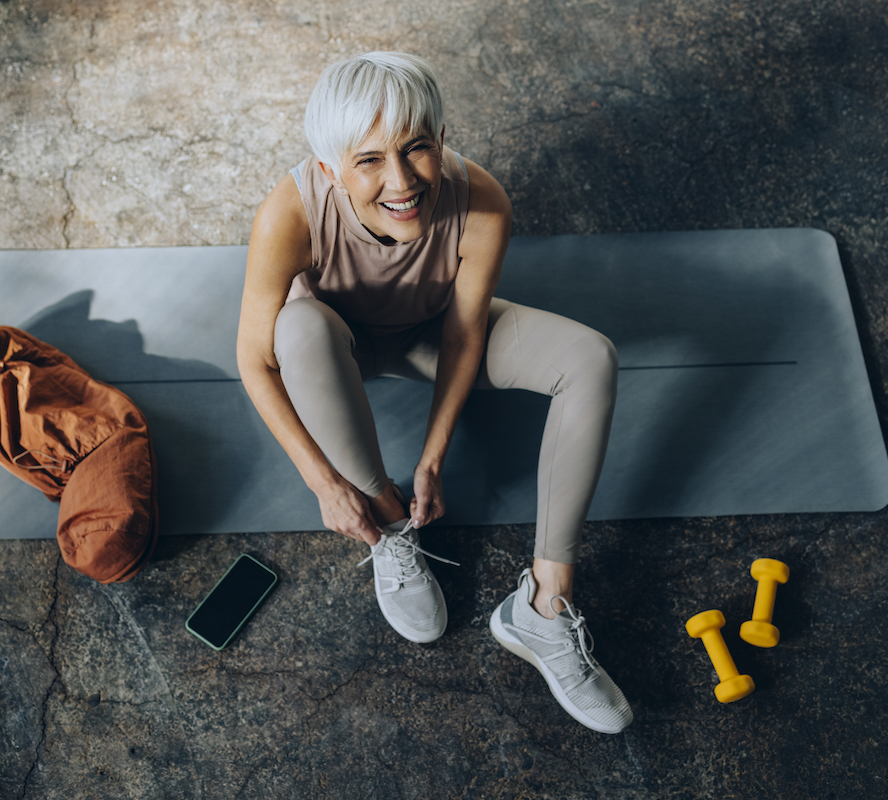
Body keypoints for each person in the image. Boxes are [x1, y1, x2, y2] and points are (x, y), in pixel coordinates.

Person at [236, 52, 632, 734]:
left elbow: (464, 330)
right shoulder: (289, 213)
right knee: (295, 328)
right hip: (329, 346)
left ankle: (543, 607)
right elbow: (254, 359)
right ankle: (389, 522)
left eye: (416, 147)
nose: (401, 181)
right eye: (368, 161)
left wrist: (433, 455)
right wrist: (327, 484)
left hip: (429, 331)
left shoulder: (483, 202)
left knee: (590, 357)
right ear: (330, 169)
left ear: (442, 138)